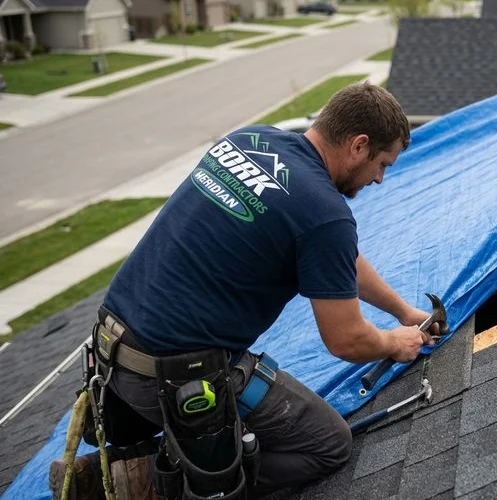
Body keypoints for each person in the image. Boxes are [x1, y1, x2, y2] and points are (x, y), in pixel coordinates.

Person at [50, 82, 435, 499]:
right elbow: (346, 340)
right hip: (177, 377)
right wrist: (395, 343)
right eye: (383, 164)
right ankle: (148, 487)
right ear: (358, 145)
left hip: (111, 351)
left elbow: (339, 262)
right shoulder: (325, 214)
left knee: (248, 424)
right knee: (327, 444)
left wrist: (403, 312)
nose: (379, 179)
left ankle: (104, 473)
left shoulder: (250, 139)